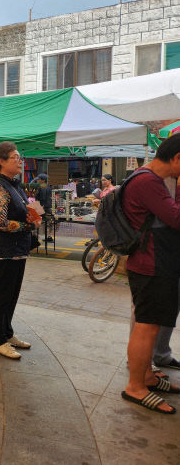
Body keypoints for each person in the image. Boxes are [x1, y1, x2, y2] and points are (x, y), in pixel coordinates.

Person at [120, 134, 180, 414]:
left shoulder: (147, 179)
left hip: (155, 262)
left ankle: (145, 376)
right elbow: (176, 218)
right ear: (177, 158)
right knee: (145, 326)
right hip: (150, 263)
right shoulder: (147, 181)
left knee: (151, 324)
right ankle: (135, 386)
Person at [0, 142, 40, 359]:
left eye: (19, 157)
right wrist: (28, 226)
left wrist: (31, 216)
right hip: (3, 250)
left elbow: (22, 211)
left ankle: (7, 333)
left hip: (18, 248)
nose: (20, 160)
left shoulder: (15, 185)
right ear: (2, 161)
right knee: (1, 295)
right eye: (15, 157)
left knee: (12, 295)